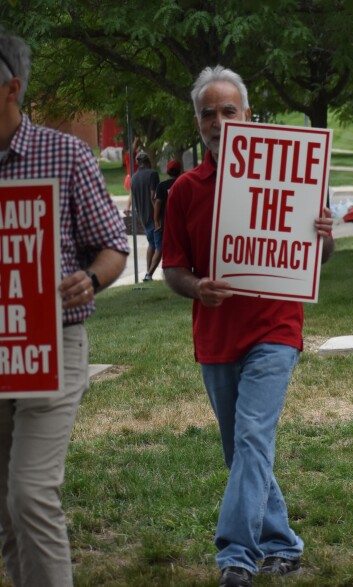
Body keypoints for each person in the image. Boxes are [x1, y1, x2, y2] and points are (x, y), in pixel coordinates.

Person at [162, 65, 335, 587]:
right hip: (215, 336)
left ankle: (237, 556)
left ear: (248, 115)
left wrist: (324, 233)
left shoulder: (289, 174)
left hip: (275, 331)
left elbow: (319, 255)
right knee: (240, 447)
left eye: (228, 110)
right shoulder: (184, 191)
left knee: (254, 438)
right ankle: (283, 542)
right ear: (198, 122)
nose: (219, 120)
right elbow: (173, 269)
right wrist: (197, 288)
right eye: (208, 113)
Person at [0, 28, 129, 586]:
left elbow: (114, 247)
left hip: (51, 347)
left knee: (30, 492)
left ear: (12, 88)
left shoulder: (66, 153)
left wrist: (90, 280)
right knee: (6, 510)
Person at [126, 151, 160, 281]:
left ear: (138, 163)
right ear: (148, 161)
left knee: (151, 243)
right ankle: (149, 274)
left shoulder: (133, 178)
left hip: (142, 217)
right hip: (153, 216)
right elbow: (153, 196)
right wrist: (158, 218)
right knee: (160, 247)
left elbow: (132, 196)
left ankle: (148, 273)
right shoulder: (153, 174)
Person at [152, 158, 182, 280]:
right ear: (179, 171)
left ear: (168, 171)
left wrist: (156, 220)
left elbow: (158, 203)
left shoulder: (162, 186)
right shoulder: (183, 183)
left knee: (165, 248)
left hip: (165, 222)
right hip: (180, 222)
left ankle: (167, 272)